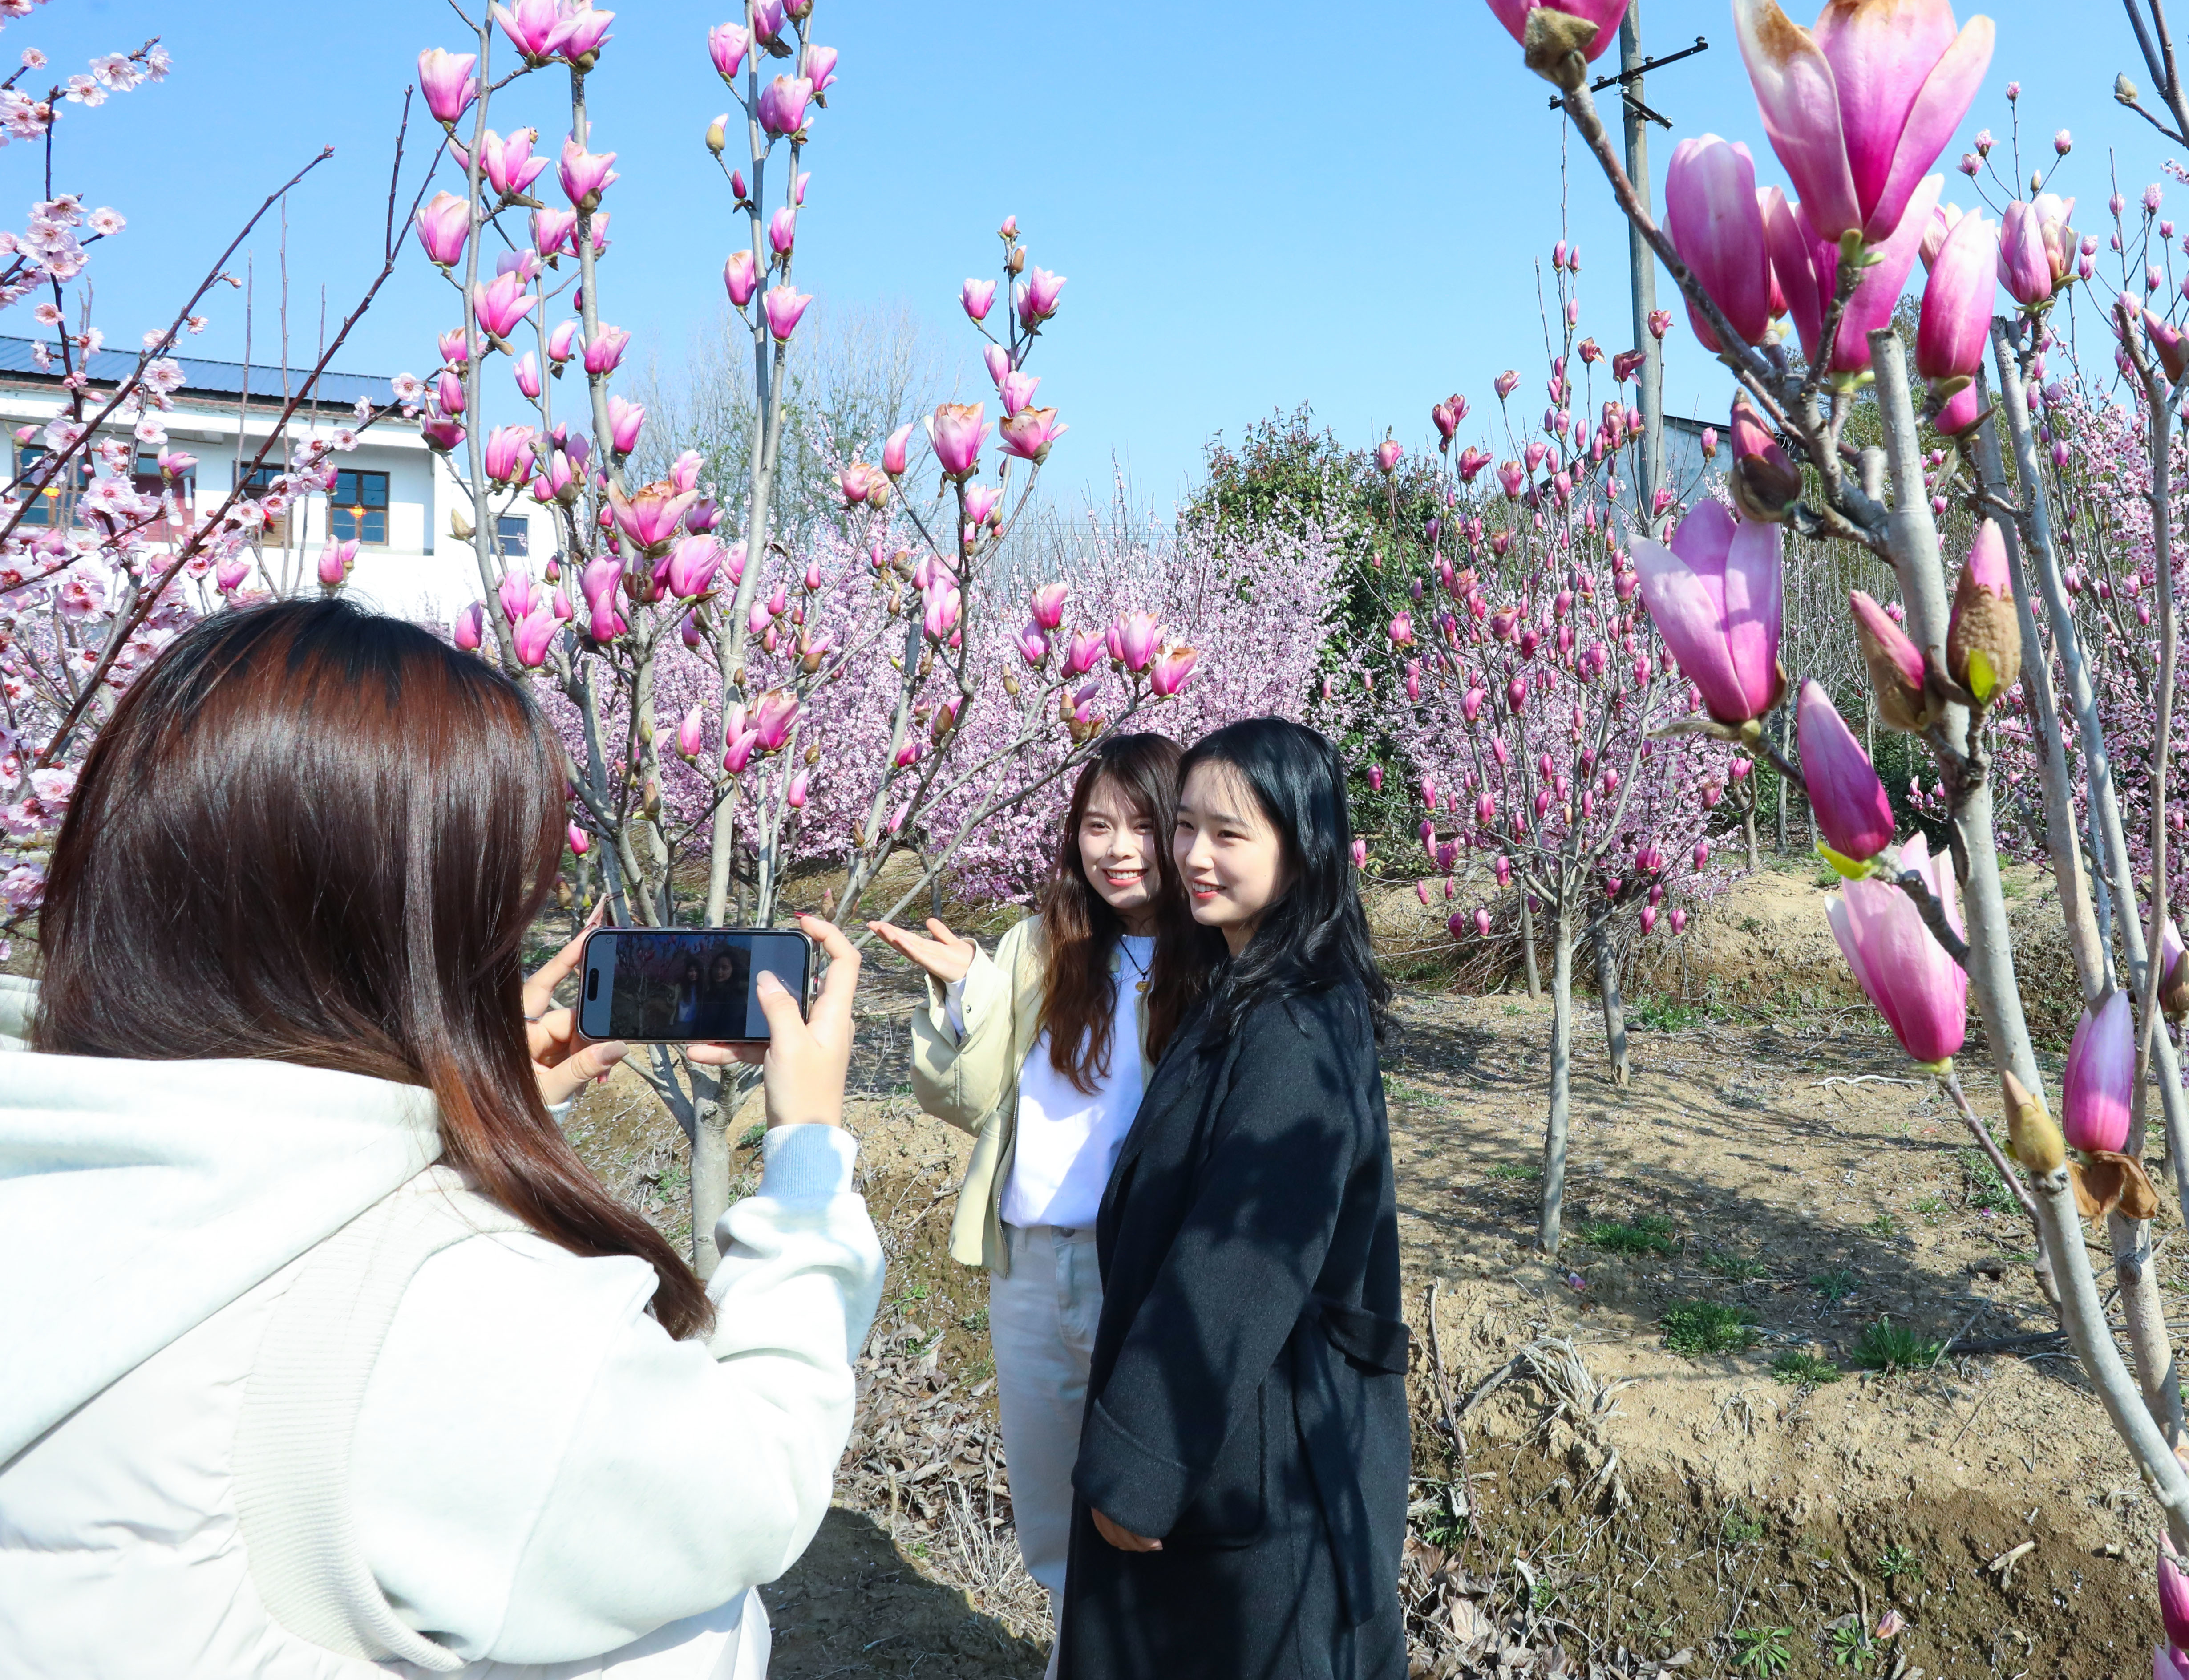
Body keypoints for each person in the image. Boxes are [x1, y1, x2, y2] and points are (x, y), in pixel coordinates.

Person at [0, 599, 882, 1679]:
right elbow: (755, 1481)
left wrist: (463, 1114)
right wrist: (807, 1160)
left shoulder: (48, 1163)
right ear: (415, 937)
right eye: (497, 909)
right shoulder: (459, 1318)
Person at [1058, 717, 1409, 1680]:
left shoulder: (1295, 1025)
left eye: (1228, 834)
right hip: (1237, 1427)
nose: (1192, 856)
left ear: (1301, 848)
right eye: (1186, 827)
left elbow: (1242, 1259)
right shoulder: (1248, 981)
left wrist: (1142, 1458)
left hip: (1254, 1445)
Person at [870, 732, 1196, 1658]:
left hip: (1134, 1267)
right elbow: (969, 1099)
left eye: (1143, 825)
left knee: (1142, 1495)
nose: (1118, 848)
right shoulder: (1042, 943)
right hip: (1028, 1261)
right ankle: (1073, 1651)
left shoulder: (1208, 958)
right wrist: (969, 991)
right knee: (1052, 1503)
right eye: (1097, 825)